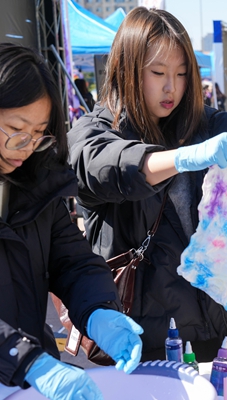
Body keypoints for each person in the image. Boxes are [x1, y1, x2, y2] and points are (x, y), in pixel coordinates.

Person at [67, 7, 227, 362]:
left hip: (213, 333)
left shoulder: (199, 123)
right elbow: (106, 165)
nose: (171, 87)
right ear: (127, 70)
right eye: (158, 73)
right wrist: (181, 158)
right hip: (138, 342)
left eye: (181, 73)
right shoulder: (98, 129)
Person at [0, 43, 143, 400]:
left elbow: (72, 261)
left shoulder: (35, 184)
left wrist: (99, 311)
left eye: (39, 133)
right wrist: (26, 361)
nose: (27, 146)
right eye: (16, 129)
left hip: (27, 378)